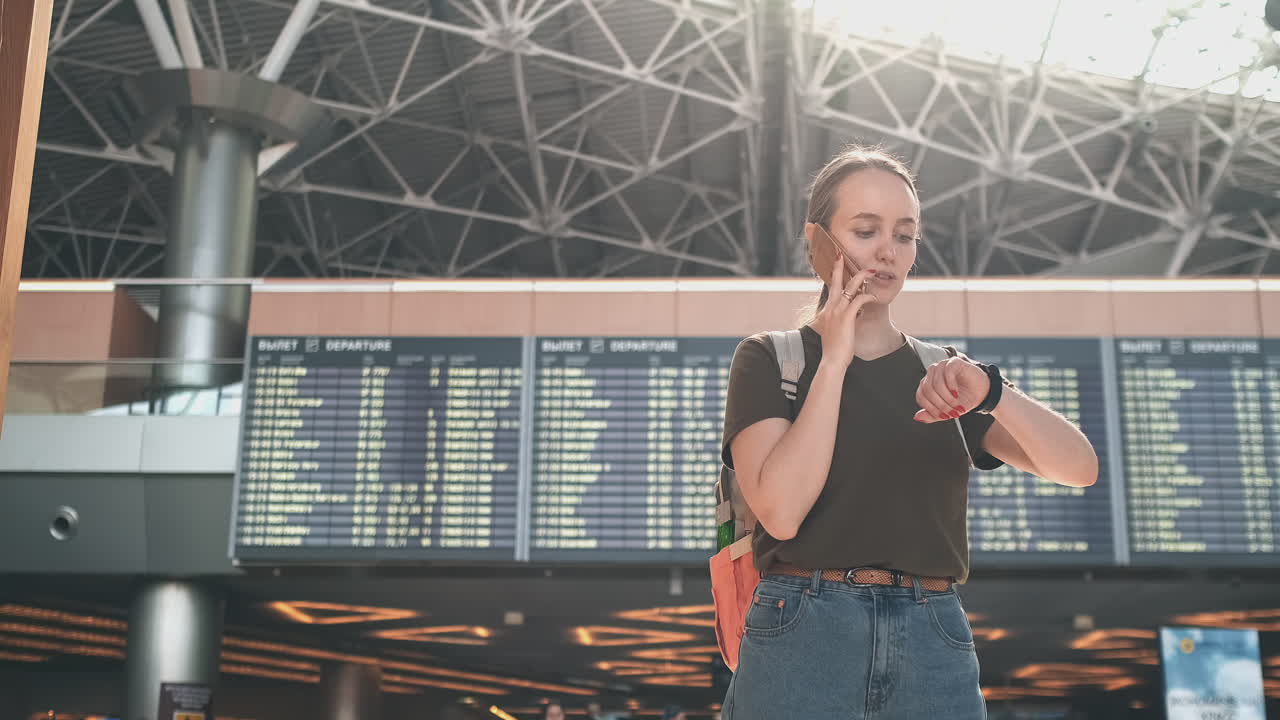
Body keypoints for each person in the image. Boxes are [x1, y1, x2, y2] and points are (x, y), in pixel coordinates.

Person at [718, 146, 1098, 719]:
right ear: (820, 241)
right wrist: (836, 357)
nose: (888, 252)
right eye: (866, 231)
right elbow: (783, 511)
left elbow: (1079, 468)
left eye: (905, 234)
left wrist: (994, 393)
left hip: (932, 632)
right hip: (802, 625)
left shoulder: (943, 374)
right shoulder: (773, 358)